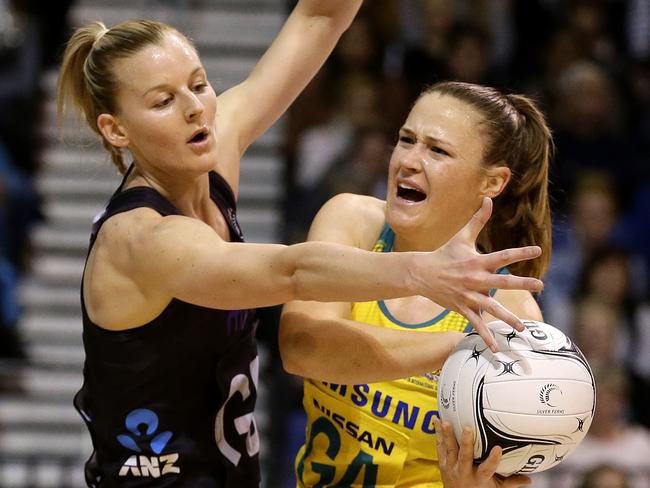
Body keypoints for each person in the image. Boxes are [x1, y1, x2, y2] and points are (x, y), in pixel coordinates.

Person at [55, 4, 545, 487]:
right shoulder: (140, 236)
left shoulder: (209, 153)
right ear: (116, 129)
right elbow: (291, 274)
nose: (194, 107)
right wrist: (424, 275)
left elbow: (318, 18)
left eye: (200, 84)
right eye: (163, 101)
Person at [279, 81, 552, 487]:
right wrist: (461, 348)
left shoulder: (511, 308)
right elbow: (302, 347)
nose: (408, 160)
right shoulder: (353, 222)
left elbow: (509, 477)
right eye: (406, 140)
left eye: (437, 150)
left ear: (492, 183)